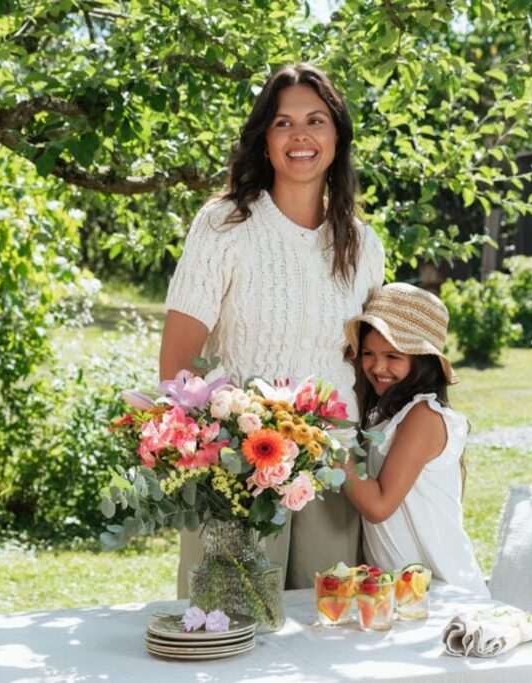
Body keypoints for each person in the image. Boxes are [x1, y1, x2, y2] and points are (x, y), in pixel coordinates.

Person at [160, 63, 385, 596]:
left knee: (325, 639)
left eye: (316, 120)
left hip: (333, 471)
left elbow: (368, 366)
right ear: (264, 138)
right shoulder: (223, 226)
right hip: (239, 471)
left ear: (337, 137)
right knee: (228, 631)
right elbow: (176, 367)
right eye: (283, 123)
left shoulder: (363, 244)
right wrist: (215, 457)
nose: (300, 136)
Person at [341, 282, 487, 594]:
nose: (377, 366)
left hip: (445, 592)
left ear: (422, 360)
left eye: (393, 356)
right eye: (368, 353)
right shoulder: (384, 414)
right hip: (405, 592)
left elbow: (379, 506)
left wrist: (328, 446)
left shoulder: (423, 416)